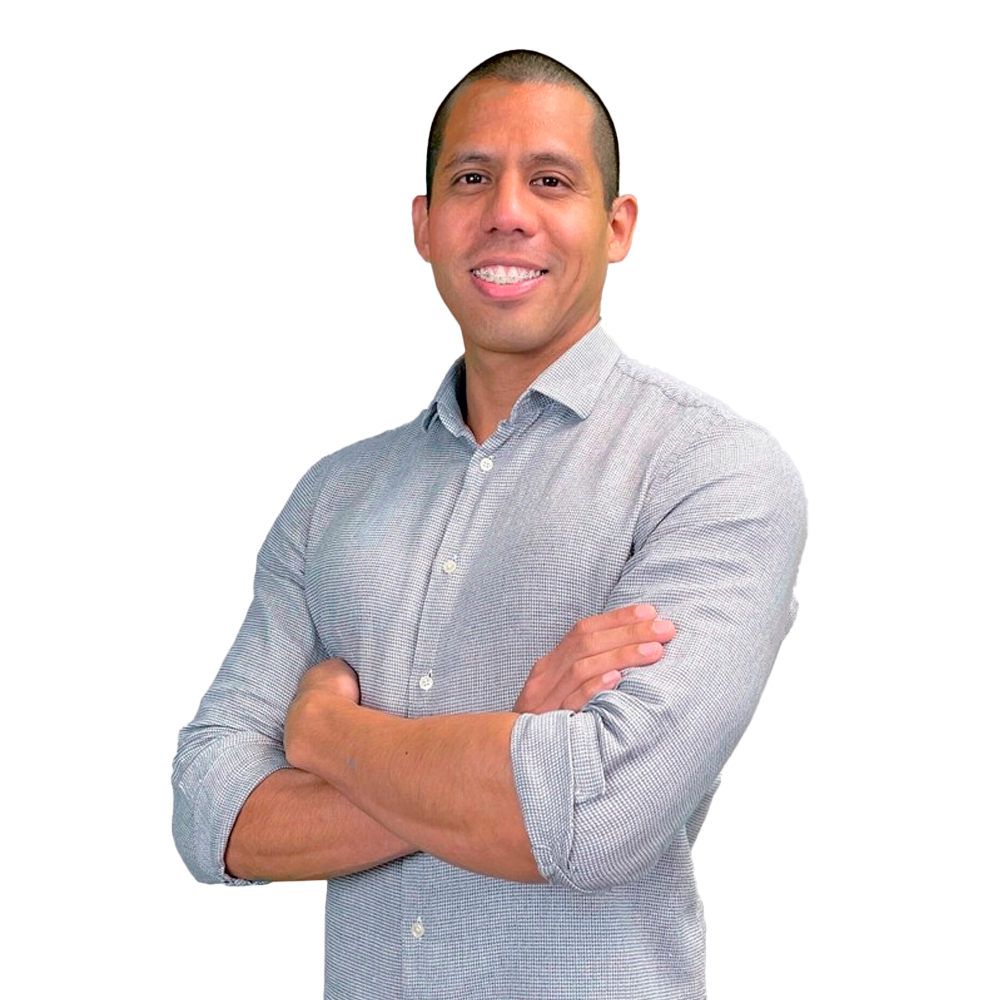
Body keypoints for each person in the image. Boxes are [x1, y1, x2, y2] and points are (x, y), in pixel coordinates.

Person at [173, 49, 807, 999]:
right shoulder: (332, 500)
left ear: (617, 224)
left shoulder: (710, 472)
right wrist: (516, 743)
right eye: (472, 178)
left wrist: (328, 735)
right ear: (425, 226)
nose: (508, 209)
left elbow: (596, 816)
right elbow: (210, 812)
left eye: (551, 180)